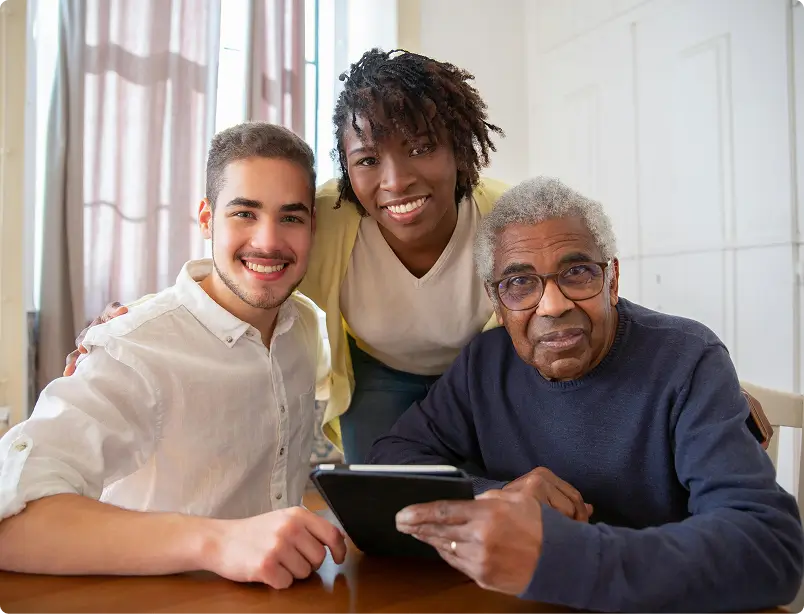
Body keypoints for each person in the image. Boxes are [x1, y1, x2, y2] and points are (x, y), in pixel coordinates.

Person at [368, 177, 804, 612]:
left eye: (576, 273)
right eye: (520, 282)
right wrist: (494, 496)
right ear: (496, 303)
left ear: (612, 280)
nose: (552, 305)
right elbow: (392, 457)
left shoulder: (687, 358)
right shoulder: (485, 363)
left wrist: (555, 557)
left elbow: (768, 547)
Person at [64, 48, 509, 463]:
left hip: (483, 368)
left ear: (460, 150)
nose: (395, 181)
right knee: (382, 500)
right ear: (348, 168)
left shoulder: (508, 221)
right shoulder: (327, 219)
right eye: (369, 160)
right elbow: (234, 277)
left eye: (421, 148)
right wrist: (125, 323)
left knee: (495, 484)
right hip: (381, 371)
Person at [0, 123, 346, 588]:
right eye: (244, 213)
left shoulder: (304, 324)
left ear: (312, 227)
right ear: (206, 219)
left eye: (290, 217)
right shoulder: (133, 348)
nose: (267, 241)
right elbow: (10, 518)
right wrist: (218, 542)